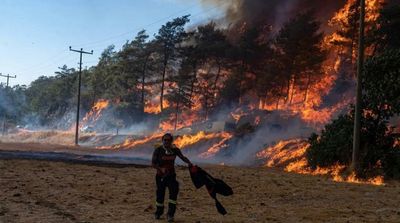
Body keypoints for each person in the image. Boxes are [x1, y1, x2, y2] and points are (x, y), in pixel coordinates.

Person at [152, 133, 192, 222]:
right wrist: (160, 169)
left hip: (171, 176)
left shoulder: (175, 150)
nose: (166, 141)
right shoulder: (158, 150)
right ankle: (158, 212)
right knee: (160, 195)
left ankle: (170, 214)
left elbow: (182, 157)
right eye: (165, 140)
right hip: (160, 177)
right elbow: (153, 163)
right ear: (162, 141)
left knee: (173, 195)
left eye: (168, 140)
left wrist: (189, 163)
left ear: (171, 141)